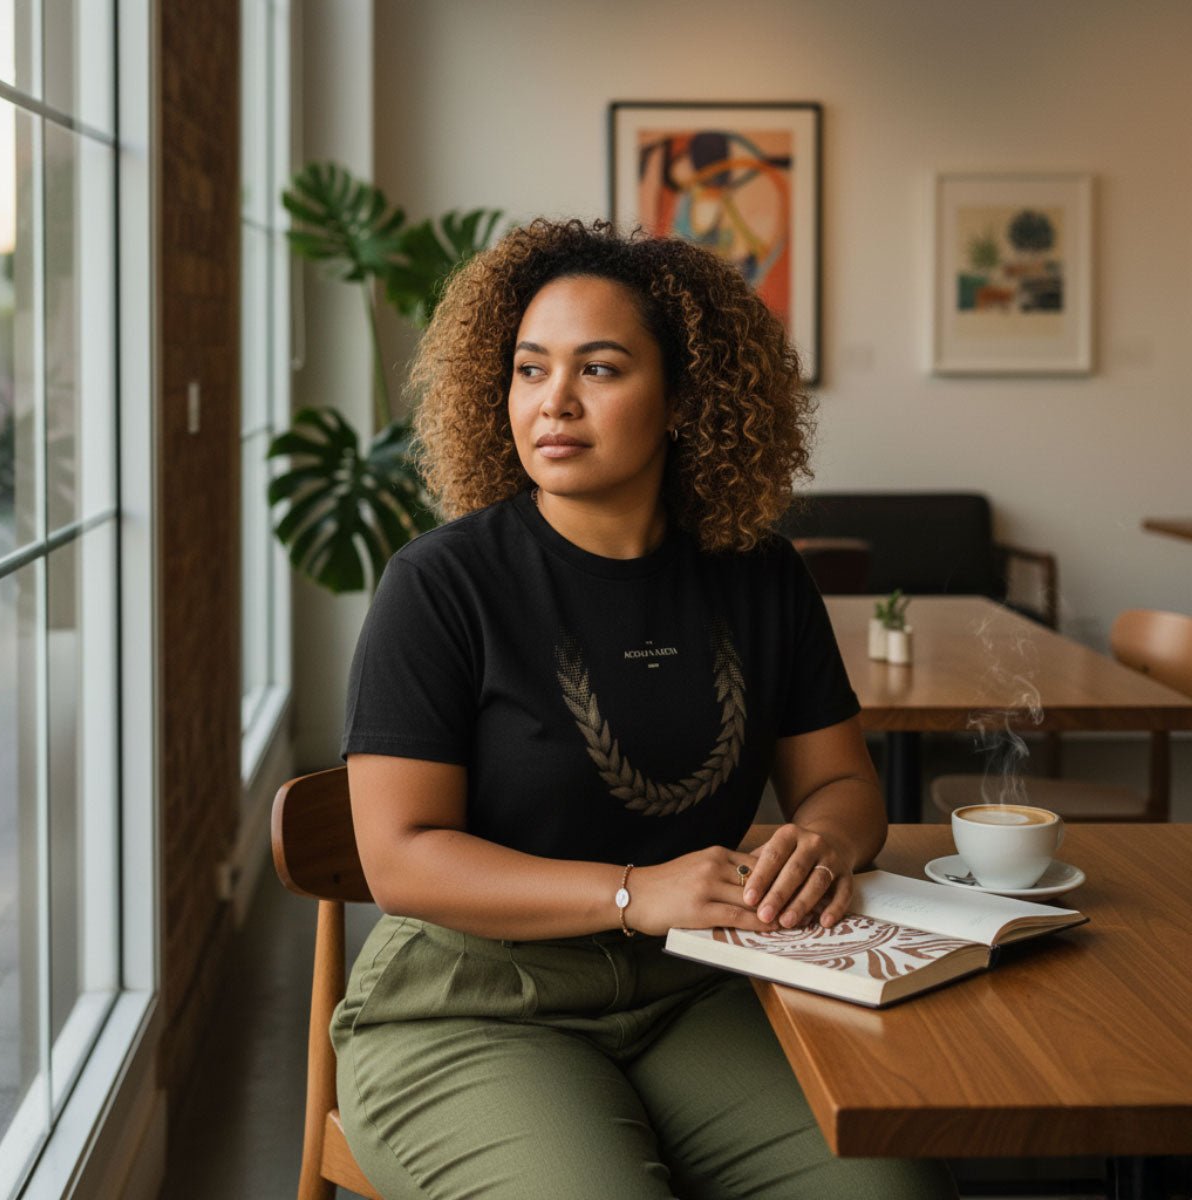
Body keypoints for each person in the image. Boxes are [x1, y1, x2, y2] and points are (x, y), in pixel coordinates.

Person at [330, 218, 956, 1199]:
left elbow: (841, 785)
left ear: (683, 398)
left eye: (602, 369)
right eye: (531, 370)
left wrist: (826, 845)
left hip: (700, 990)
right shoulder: (442, 585)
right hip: (473, 1006)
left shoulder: (760, 576)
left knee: (890, 1191)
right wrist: (632, 892)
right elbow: (399, 856)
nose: (555, 402)